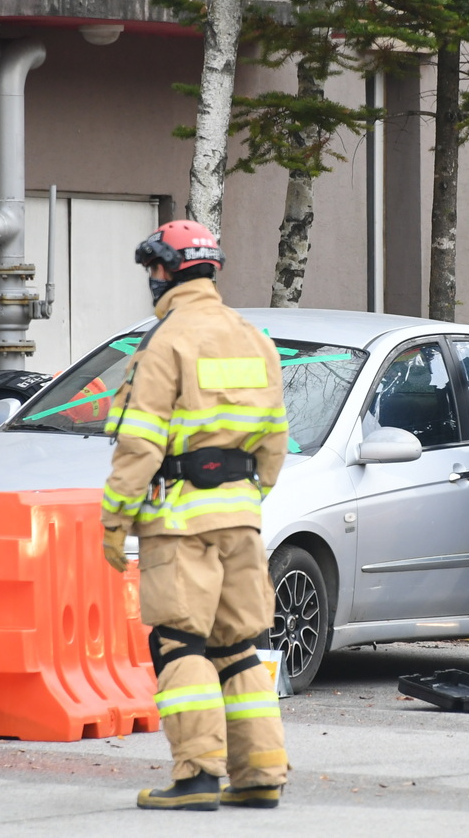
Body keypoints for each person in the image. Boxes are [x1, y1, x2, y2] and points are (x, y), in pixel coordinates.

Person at [99, 220, 291, 812]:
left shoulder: (166, 342)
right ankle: (260, 773)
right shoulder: (253, 337)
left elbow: (140, 442)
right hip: (241, 518)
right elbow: (276, 441)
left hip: (179, 521)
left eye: (152, 269)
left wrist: (115, 519)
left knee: (179, 642)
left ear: (164, 271)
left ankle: (197, 776)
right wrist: (246, 500)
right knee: (239, 646)